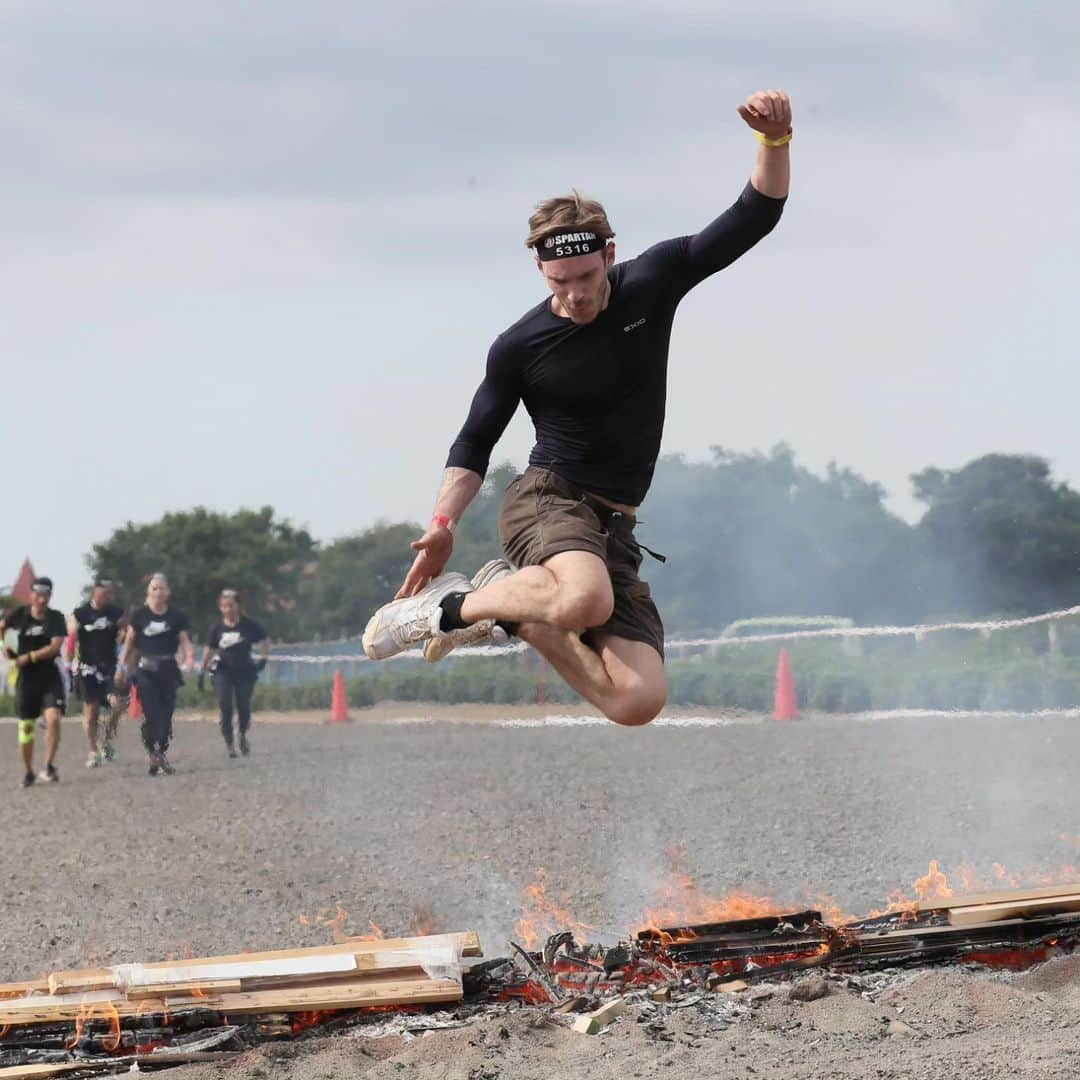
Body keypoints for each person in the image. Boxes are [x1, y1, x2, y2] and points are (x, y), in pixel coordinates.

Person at [363, 90, 792, 726]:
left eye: (586, 278)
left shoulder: (653, 281)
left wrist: (775, 142)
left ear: (609, 257)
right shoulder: (519, 346)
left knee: (638, 700)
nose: (575, 295)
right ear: (539, 269)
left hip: (613, 527)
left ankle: (518, 613)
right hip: (549, 499)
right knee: (584, 601)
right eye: (558, 282)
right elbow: (473, 444)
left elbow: (754, 215)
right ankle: (449, 611)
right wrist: (443, 526)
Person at [116, 574, 194, 775]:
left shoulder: (177, 616)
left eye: (162, 588)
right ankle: (153, 752)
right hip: (145, 670)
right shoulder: (139, 615)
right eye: (154, 588)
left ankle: (162, 752)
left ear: (168, 592)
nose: (158, 592)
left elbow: (185, 641)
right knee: (151, 714)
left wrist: (189, 659)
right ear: (148, 592)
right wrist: (121, 667)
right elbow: (130, 642)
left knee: (166, 716)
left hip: (168, 669)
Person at [1, 577, 67, 786]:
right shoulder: (20, 615)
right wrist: (4, 646)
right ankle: (29, 771)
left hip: (49, 676)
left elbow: (55, 646)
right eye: (37, 594)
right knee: (26, 728)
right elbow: (1, 626)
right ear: (31, 595)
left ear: (50, 596)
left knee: (53, 719)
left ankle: (48, 766)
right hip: (26, 679)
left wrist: (28, 657)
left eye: (45, 595)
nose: (41, 599)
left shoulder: (55, 618)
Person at [197, 589, 269, 758]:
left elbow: (266, 639)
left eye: (231, 605)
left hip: (245, 671)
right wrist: (202, 669)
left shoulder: (249, 625)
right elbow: (210, 648)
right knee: (225, 705)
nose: (228, 609)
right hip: (223, 671)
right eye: (224, 606)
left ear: (238, 606)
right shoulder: (217, 628)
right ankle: (229, 743)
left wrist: (264, 658)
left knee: (243, 706)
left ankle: (242, 734)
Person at [69, 579, 126, 767]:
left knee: (117, 706)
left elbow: (125, 631)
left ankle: (107, 741)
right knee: (91, 711)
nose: (106, 596)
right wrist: (70, 658)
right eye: (103, 592)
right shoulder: (81, 613)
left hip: (108, 667)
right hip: (87, 669)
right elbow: (71, 633)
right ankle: (93, 749)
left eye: (109, 593)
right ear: (95, 592)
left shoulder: (115, 612)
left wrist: (123, 634)